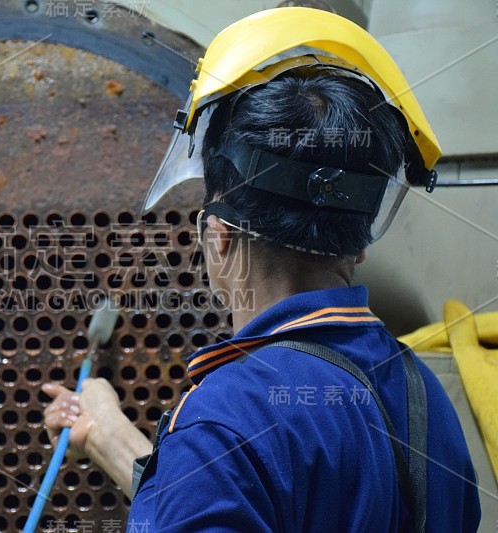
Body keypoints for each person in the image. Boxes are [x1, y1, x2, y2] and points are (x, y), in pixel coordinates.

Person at [43, 7, 481, 532]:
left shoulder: (224, 419)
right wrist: (106, 433)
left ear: (219, 240)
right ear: (358, 247)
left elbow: (235, 478)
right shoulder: (425, 401)